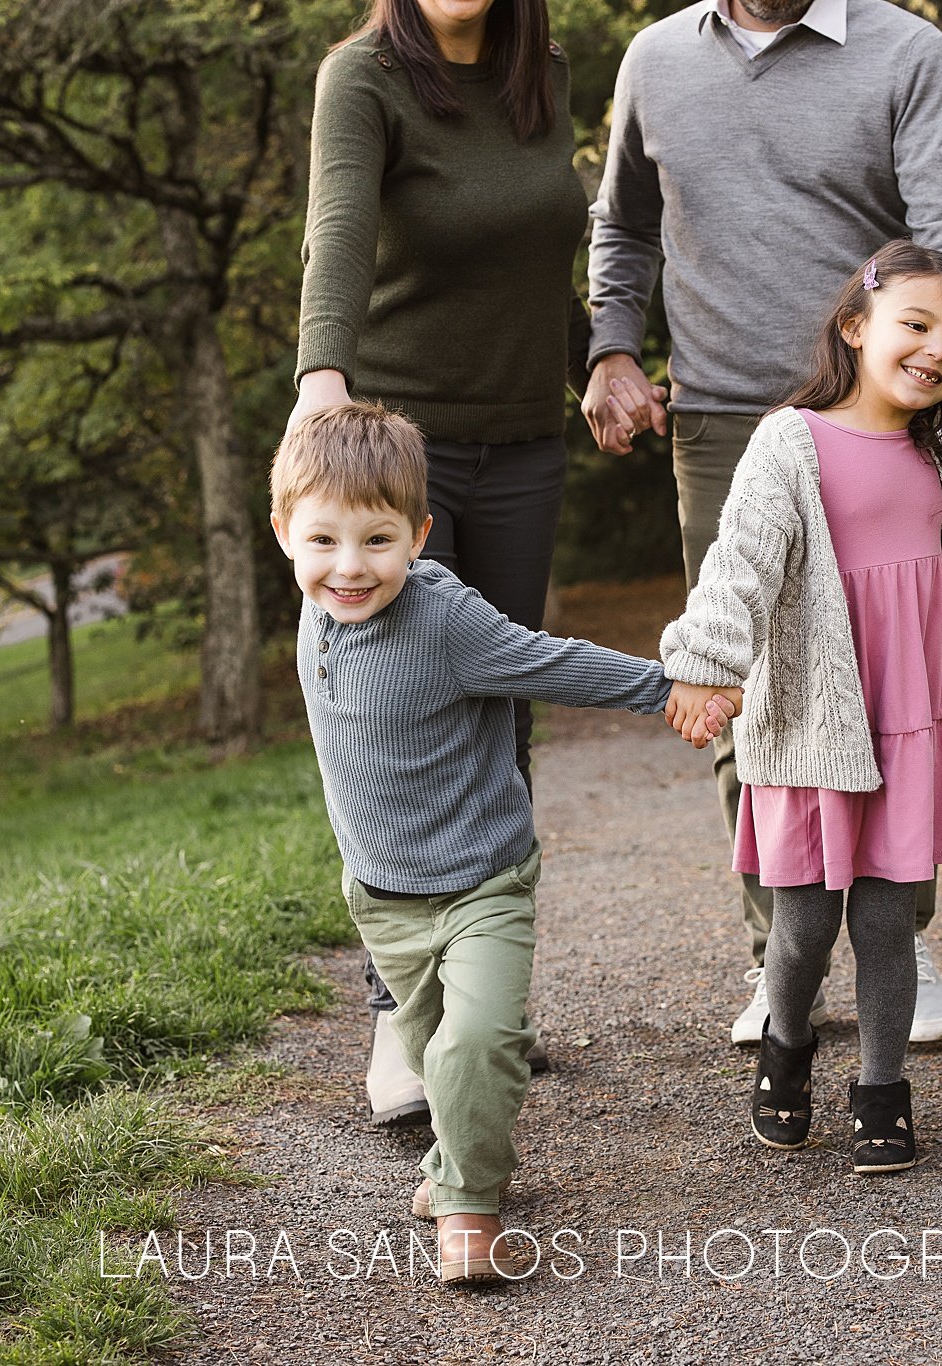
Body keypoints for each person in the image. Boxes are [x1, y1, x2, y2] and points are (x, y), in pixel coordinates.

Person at [582, 0, 942, 1044]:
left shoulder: (905, 51)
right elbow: (625, 225)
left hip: (882, 417)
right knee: (746, 685)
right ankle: (774, 952)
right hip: (725, 419)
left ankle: (895, 942)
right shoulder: (653, 59)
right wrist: (608, 345)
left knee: (882, 682)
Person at [272, 403, 736, 1281]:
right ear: (284, 532)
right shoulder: (321, 609)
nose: (347, 569)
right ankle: (456, 1149)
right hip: (380, 896)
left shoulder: (448, 622)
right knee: (428, 1045)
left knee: (477, 1040)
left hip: (483, 880)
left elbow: (554, 663)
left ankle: (469, 1210)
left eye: (376, 542)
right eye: (322, 542)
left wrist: (672, 687)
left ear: (419, 535)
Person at [291, 0, 594, 1124]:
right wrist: (323, 379)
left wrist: (594, 364)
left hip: (521, 442)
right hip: (395, 456)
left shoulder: (541, 74)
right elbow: (337, 232)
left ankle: (482, 994)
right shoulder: (361, 78)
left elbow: (530, 260)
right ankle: (397, 1019)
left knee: (500, 711)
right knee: (400, 709)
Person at [660, 243, 942, 1173]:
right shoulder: (790, 442)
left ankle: (883, 1089)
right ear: (856, 328)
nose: (939, 349)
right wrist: (702, 666)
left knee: (892, 921)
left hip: (908, 718)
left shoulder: (940, 450)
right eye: (918, 325)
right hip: (816, 722)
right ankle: (787, 1047)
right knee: (805, 923)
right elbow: (738, 566)